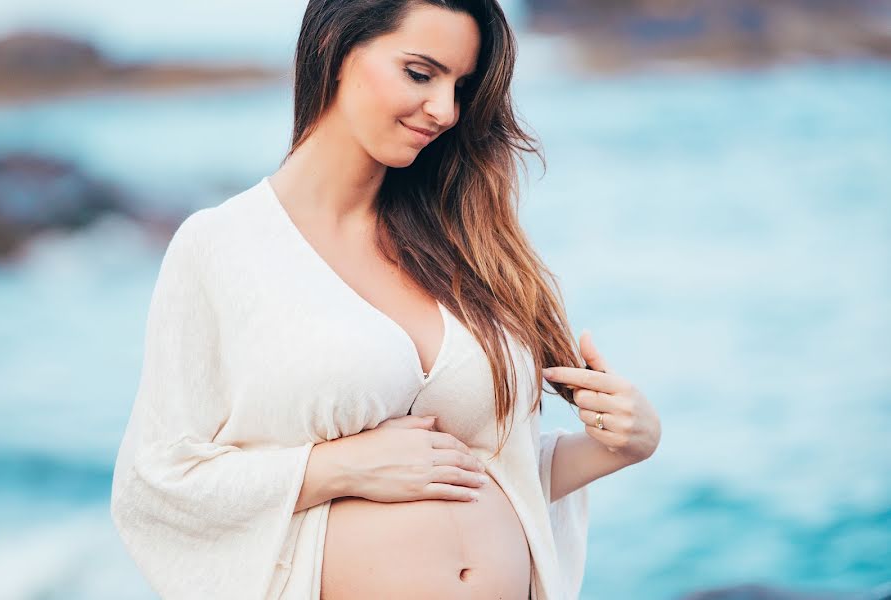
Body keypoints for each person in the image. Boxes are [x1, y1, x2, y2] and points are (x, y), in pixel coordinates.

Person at [109, 1, 661, 599]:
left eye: (461, 86)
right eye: (421, 74)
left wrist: (621, 447)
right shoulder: (220, 246)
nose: (446, 111)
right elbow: (158, 485)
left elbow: (492, 470)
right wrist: (338, 468)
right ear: (332, 48)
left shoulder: (464, 245)